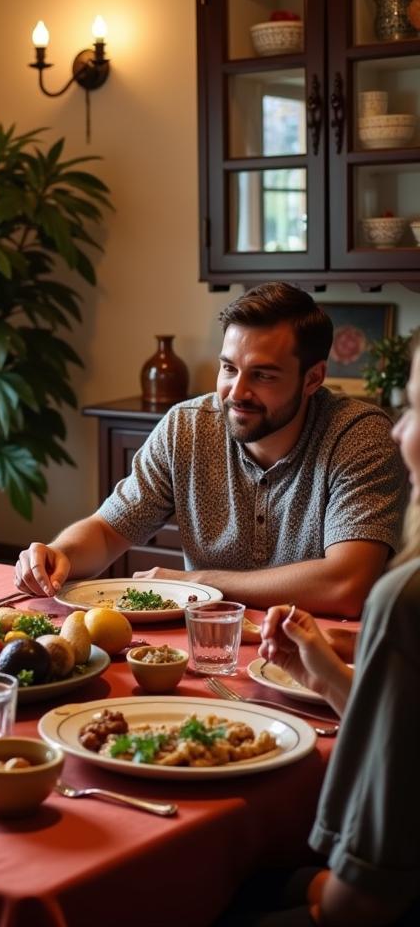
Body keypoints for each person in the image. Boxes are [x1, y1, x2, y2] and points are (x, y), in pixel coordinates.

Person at [15, 282, 407, 617]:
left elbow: (346, 585)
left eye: (263, 375)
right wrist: (58, 554)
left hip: (320, 660)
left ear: (313, 378)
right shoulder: (187, 426)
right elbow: (106, 532)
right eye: (229, 368)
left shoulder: (357, 436)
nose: (237, 393)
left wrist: (197, 583)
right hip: (207, 646)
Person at [241, 332, 420, 926]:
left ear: (311, 378)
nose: (400, 431)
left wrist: (321, 892)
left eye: (415, 409)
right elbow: (407, 742)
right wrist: (333, 681)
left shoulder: (406, 597)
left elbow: (363, 900)